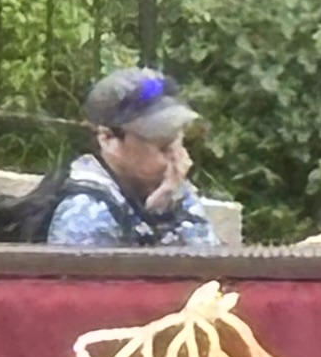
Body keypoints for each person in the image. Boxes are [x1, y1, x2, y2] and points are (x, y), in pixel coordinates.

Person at [44, 69, 222, 249]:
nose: (180, 160)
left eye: (179, 145)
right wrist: (161, 222)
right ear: (108, 139)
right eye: (164, 148)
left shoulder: (170, 190)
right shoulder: (85, 216)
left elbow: (214, 272)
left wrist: (168, 210)